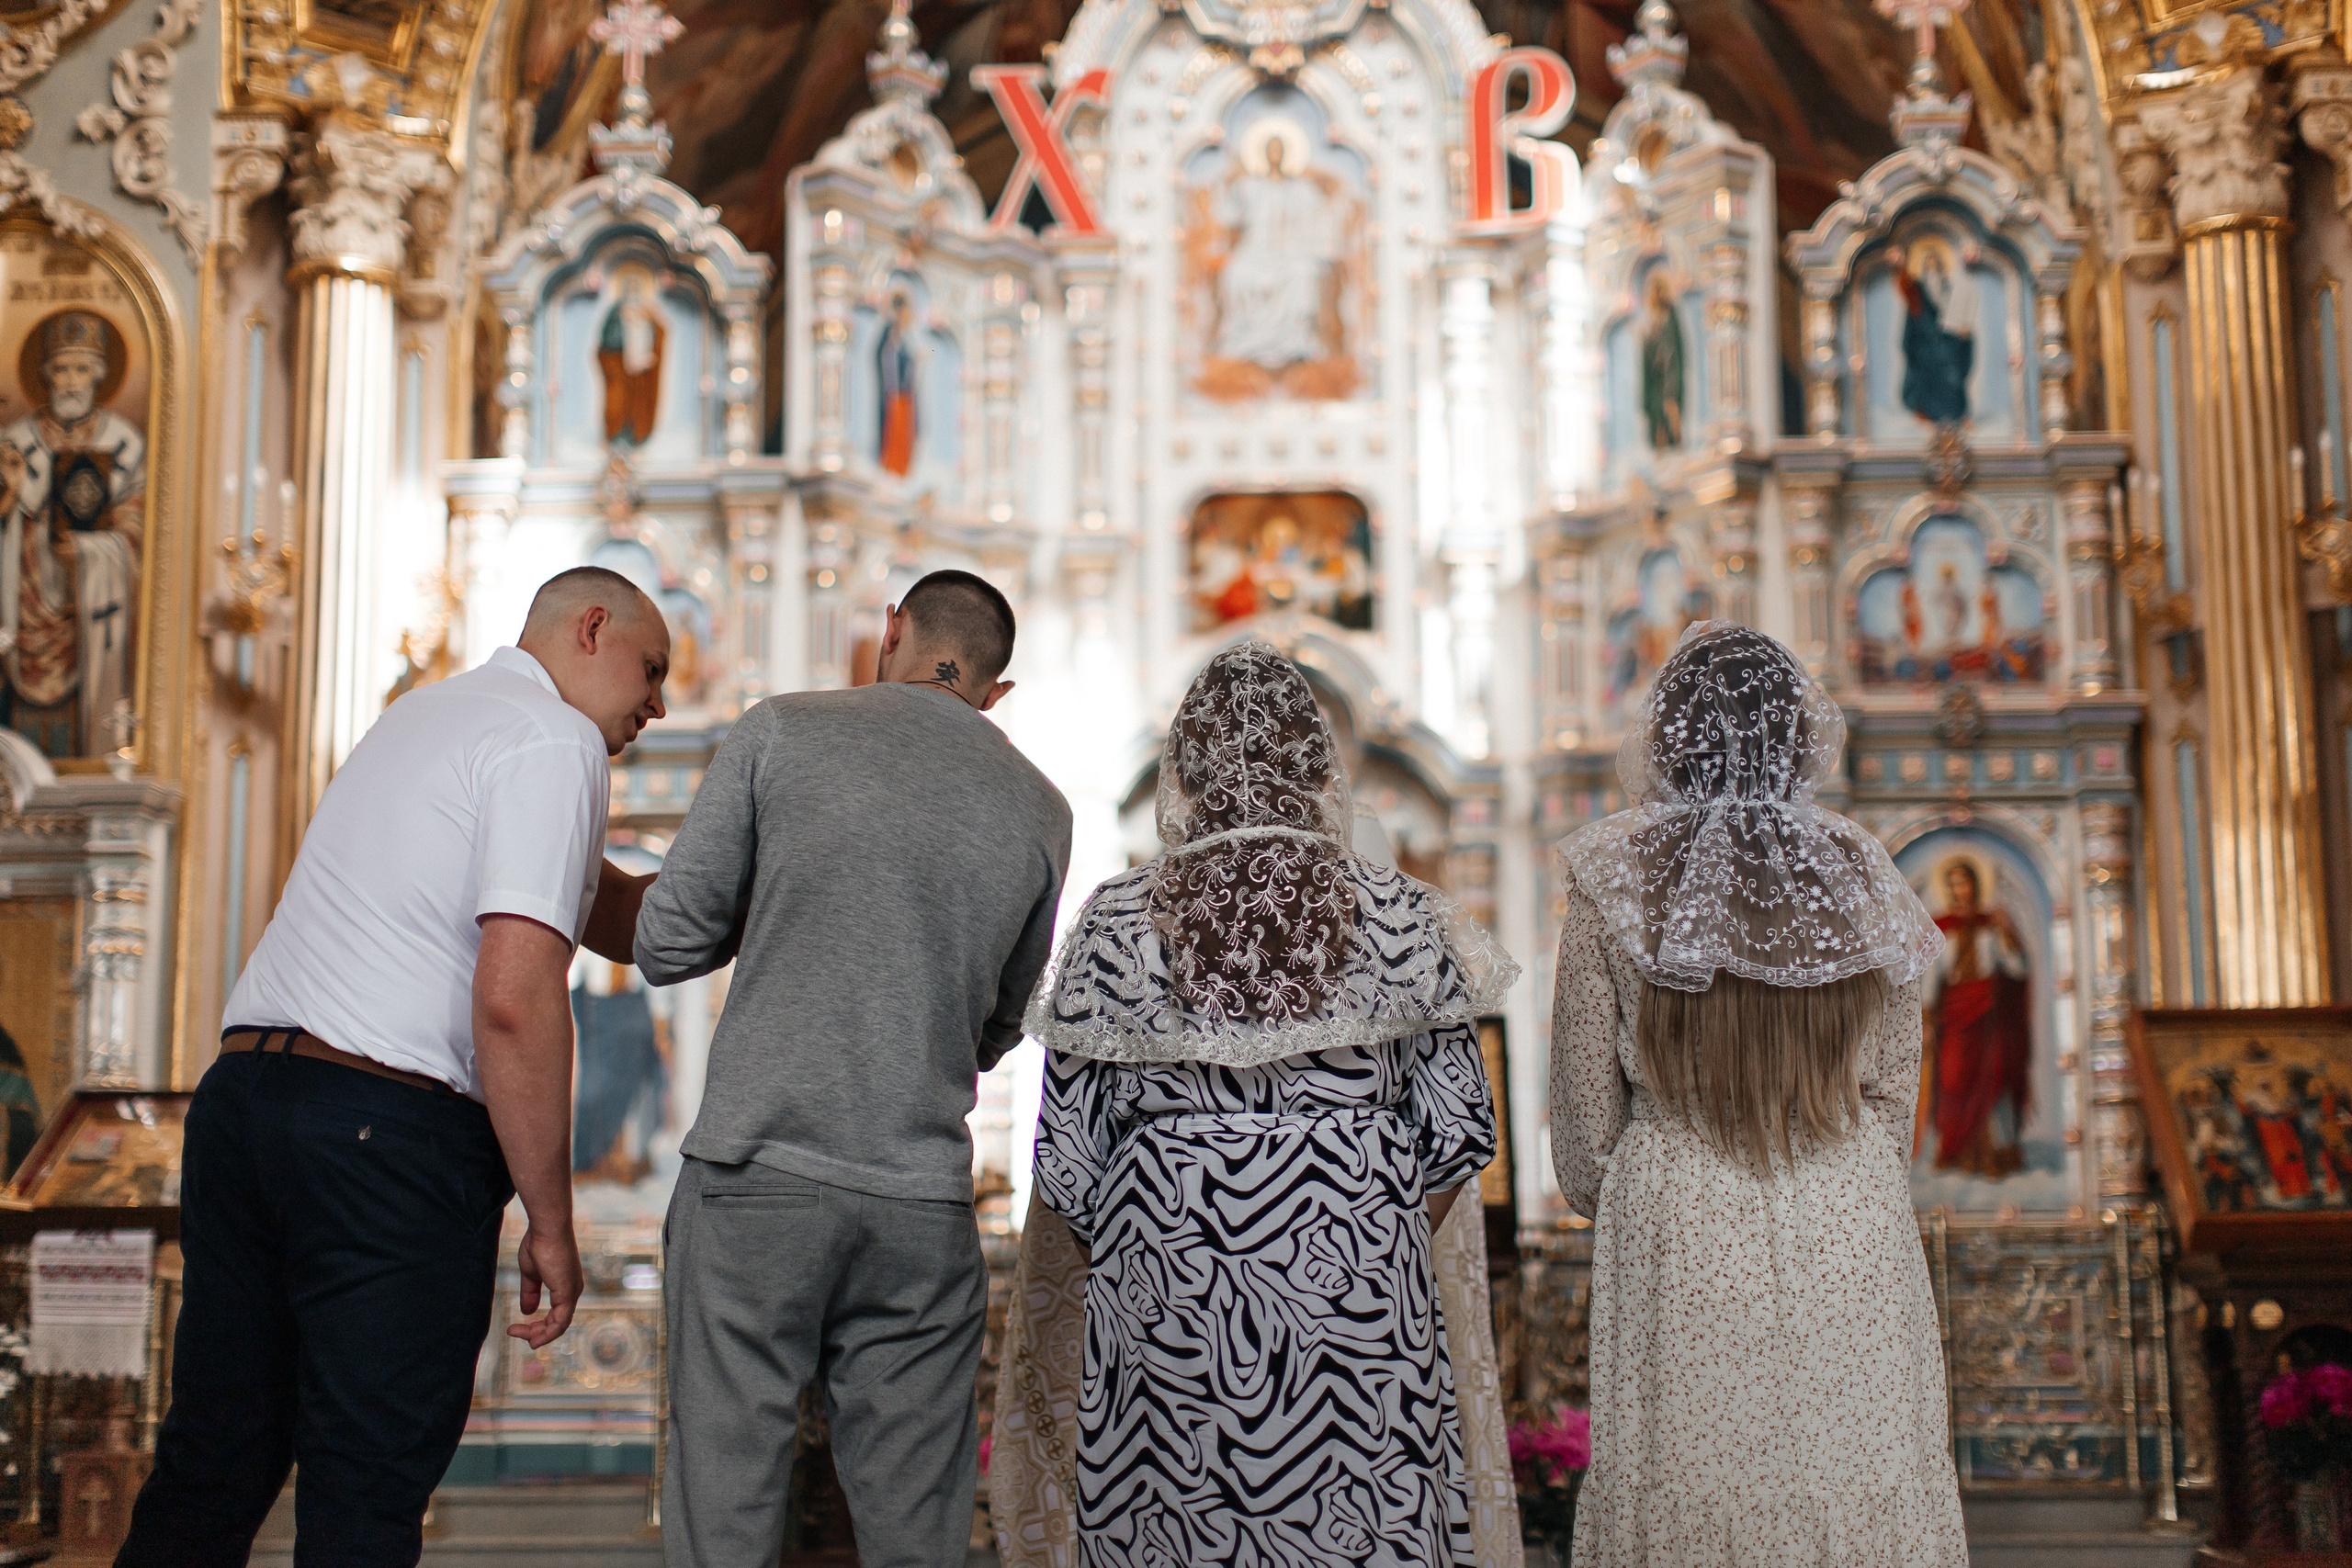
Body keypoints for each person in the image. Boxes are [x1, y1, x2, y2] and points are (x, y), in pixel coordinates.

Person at [119, 565, 671, 1567]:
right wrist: (550, 1220)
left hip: (246, 1103)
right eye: (652, 669)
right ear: (591, 628)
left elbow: (616, 918)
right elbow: (513, 999)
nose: (659, 704)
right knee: (364, 1488)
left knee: (214, 1461)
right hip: (379, 1139)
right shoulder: (555, 740)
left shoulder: (431, 717)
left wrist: (756, 883)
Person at [1005, 641, 1518, 1566]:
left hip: (1169, 1278)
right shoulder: (1400, 911)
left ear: (1186, 768)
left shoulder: (1118, 917)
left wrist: (1164, 1238)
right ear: (1320, 764)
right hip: (1358, 1271)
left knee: (1177, 1523)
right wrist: (1371, 1214)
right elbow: (1457, 1131)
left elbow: (1069, 1164)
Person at [638, 568, 1070, 1568]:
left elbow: (668, 941)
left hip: (757, 1175)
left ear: (890, 632)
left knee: (725, 1505)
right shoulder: (1042, 808)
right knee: (916, 1527)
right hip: (920, 1198)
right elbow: (1006, 1020)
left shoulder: (782, 729)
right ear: (994, 693)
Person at [1551, 622, 1965, 1566]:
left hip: (1677, 1211)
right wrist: (1837, 1165)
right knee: (1856, 1482)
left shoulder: (1612, 876)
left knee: (1691, 1498)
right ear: (1797, 738)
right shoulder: (1863, 868)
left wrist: (1642, 1185)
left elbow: (1581, 1140)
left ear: (1665, 738)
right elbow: (1895, 1096)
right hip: (1846, 1205)